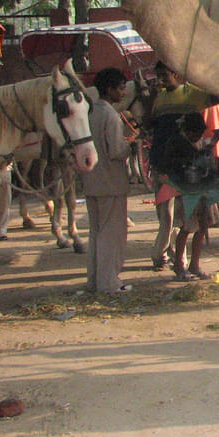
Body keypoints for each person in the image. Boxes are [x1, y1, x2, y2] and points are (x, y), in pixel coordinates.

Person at [148, 61, 216, 271]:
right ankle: (162, 255)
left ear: (176, 74)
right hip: (163, 163)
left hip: (185, 169)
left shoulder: (192, 94)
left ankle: (181, 261)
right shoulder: (158, 98)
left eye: (164, 76)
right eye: (158, 76)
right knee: (166, 217)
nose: (160, 80)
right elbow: (150, 124)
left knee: (184, 221)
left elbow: (216, 97)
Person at [82, 67, 132, 294]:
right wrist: (130, 145)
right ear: (109, 89)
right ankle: (109, 282)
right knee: (112, 234)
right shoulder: (111, 115)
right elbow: (116, 151)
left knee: (96, 233)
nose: (123, 93)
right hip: (111, 182)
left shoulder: (90, 112)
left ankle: (94, 280)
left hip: (91, 181)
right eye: (120, 89)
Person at [157, 111, 215, 281]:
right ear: (189, 131)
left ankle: (194, 265)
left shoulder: (189, 142)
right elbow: (192, 161)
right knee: (187, 228)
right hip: (187, 192)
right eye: (196, 134)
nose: (198, 137)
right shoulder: (178, 143)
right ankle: (180, 266)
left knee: (201, 227)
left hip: (197, 190)